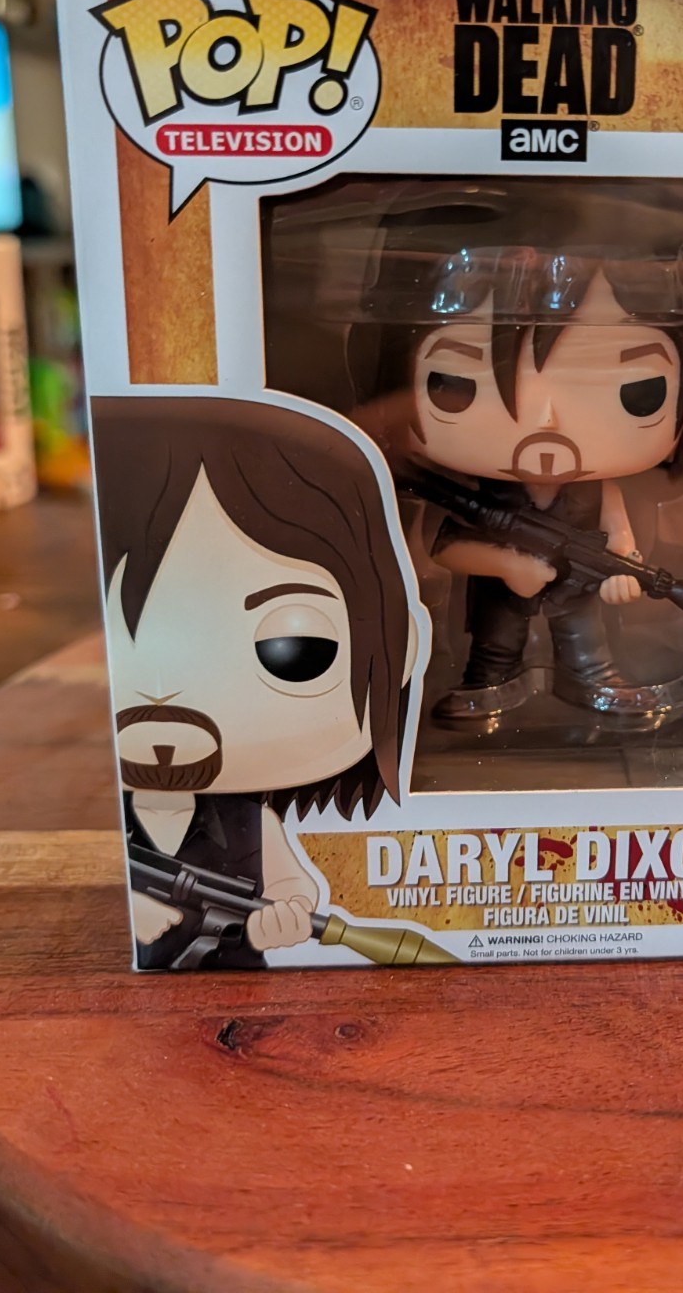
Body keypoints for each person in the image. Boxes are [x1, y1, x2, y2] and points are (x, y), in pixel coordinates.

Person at [345, 177, 683, 720]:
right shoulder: (478, 492)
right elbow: (444, 547)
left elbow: (620, 536)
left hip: (577, 586)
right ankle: (489, 682)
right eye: (457, 385)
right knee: (495, 647)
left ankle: (591, 679)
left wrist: (625, 569)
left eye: (637, 393)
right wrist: (505, 563)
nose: (545, 426)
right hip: (504, 591)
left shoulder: (599, 488)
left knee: (586, 645)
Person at [91, 393, 425, 969]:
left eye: (296, 649)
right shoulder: (112, 817)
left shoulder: (247, 819)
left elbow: (296, 885)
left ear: (405, 644)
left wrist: (289, 912)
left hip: (244, 978)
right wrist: (131, 909)